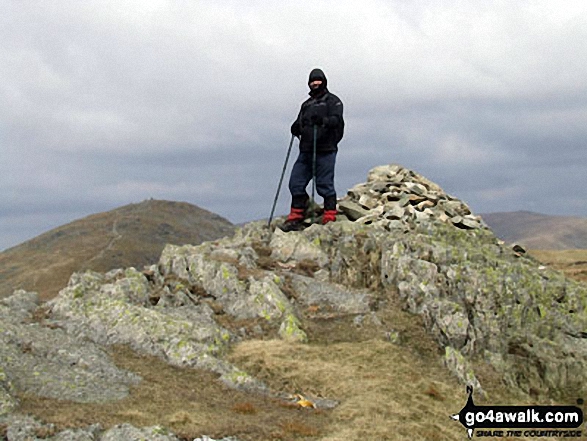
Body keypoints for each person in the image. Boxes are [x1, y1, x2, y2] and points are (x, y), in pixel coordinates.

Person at [280, 68, 345, 232]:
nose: (315, 83)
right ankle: (296, 217)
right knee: (295, 183)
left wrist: (323, 121)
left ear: (324, 81)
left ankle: (329, 217)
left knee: (324, 184)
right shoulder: (306, 105)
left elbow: (337, 120)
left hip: (326, 150)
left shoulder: (333, 101)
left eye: (318, 80)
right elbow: (300, 122)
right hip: (306, 150)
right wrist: (296, 128)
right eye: (312, 81)